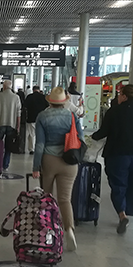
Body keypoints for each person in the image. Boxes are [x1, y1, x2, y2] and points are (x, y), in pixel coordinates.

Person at [91, 84, 133, 234]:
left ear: (125, 96)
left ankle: (122, 214)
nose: (118, 97)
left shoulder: (113, 112)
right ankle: (128, 210)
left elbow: (103, 132)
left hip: (117, 154)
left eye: (119, 94)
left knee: (118, 185)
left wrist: (90, 137)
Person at [32, 87, 84, 251]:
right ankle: (69, 229)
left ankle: (47, 232)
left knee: (46, 198)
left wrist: (36, 166)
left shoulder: (43, 116)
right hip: (70, 161)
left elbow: (39, 145)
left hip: (49, 160)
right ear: (64, 101)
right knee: (65, 199)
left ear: (50, 101)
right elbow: (80, 138)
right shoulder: (72, 115)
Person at [0, 80, 21, 171]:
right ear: (11, 87)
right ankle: (5, 165)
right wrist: (18, 126)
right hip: (11, 124)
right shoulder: (16, 97)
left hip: (0, 123)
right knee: (8, 146)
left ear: (4, 87)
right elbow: (18, 113)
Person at [24, 86, 49, 154]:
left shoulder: (29, 97)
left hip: (31, 118)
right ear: (38, 89)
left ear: (33, 90)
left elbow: (24, 106)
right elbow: (47, 107)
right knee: (40, 133)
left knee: (32, 134)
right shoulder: (43, 97)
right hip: (42, 118)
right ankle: (40, 147)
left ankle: (32, 149)